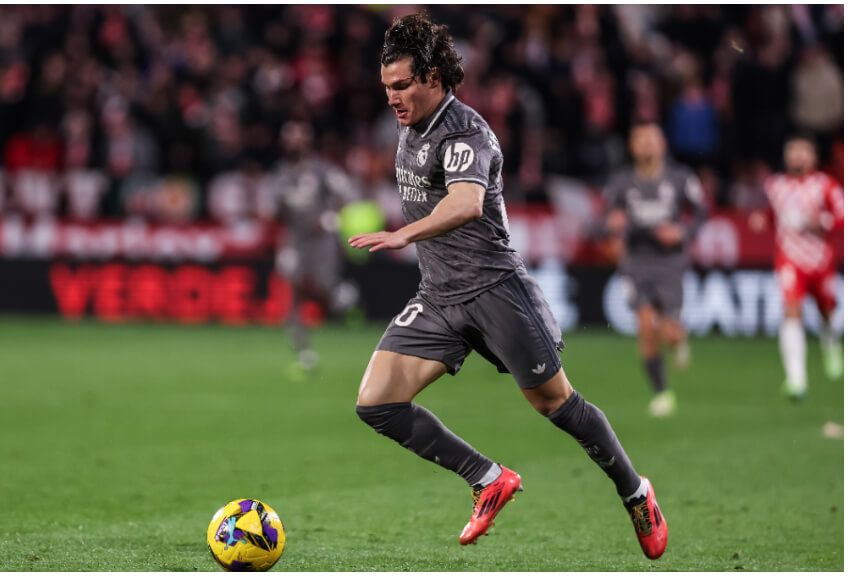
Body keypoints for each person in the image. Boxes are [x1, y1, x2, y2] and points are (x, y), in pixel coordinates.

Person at [348, 13, 667, 559]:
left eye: (402, 86)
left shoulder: (466, 130)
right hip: (440, 295)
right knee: (376, 402)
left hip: (496, 290)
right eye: (386, 88)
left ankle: (636, 492)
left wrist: (404, 235)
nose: (393, 98)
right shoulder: (409, 127)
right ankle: (487, 478)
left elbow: (466, 202)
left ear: (433, 78)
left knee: (556, 405)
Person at [603, 123, 708, 417]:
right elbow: (606, 219)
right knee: (646, 325)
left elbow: (702, 213)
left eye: (652, 139)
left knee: (670, 331)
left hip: (670, 262)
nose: (647, 145)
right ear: (632, 146)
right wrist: (612, 224)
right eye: (641, 140)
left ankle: (678, 337)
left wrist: (683, 232)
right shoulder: (622, 181)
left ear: (662, 144)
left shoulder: (680, 177)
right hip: (636, 261)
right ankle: (663, 393)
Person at [752, 134, 844, 400]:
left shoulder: (826, 186)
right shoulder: (775, 185)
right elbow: (772, 214)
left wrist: (818, 221)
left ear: (813, 157)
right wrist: (761, 220)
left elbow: (841, 219)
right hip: (789, 258)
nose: (797, 156)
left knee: (828, 310)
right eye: (792, 151)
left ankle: (831, 344)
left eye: (803, 151)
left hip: (820, 260)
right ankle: (796, 379)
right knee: (791, 310)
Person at [271, 120, 361, 378]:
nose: (293, 142)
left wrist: (330, 218)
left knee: (324, 287)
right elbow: (276, 211)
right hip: (294, 240)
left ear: (307, 141)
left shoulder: (321, 169)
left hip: (321, 241)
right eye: (289, 138)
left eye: (298, 137)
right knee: (292, 292)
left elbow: (348, 194)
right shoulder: (281, 173)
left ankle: (346, 298)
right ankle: (304, 355)